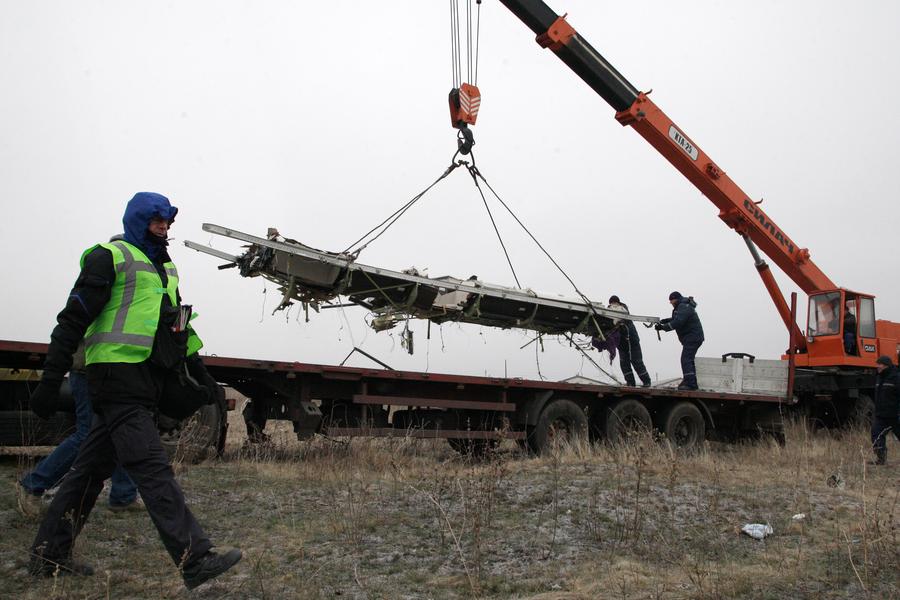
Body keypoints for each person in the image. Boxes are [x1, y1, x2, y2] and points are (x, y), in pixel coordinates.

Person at [26, 192, 241, 589]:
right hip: (112, 377)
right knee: (151, 466)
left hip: (145, 378)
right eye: (157, 222)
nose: (164, 229)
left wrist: (200, 369)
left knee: (88, 472)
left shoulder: (164, 267)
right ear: (138, 220)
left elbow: (177, 324)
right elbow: (72, 320)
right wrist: (50, 379)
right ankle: (194, 558)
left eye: (167, 223)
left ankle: (48, 555)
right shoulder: (108, 257)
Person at [16, 342, 140, 518]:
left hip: (113, 373)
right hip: (90, 371)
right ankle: (32, 485)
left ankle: (124, 496)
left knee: (118, 430)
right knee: (88, 435)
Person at [655, 291, 705, 391]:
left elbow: (678, 321)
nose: (670, 303)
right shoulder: (682, 307)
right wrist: (665, 321)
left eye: (671, 300)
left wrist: (663, 327)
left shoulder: (683, 306)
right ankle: (689, 380)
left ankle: (691, 384)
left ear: (676, 299)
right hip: (692, 337)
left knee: (686, 359)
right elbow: (676, 318)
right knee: (688, 359)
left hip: (692, 337)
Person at [607, 295, 652, 387]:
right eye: (611, 304)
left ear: (618, 303)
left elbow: (619, 321)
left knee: (636, 361)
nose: (613, 305)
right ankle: (630, 383)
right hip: (622, 342)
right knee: (624, 363)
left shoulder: (623, 310)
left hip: (631, 340)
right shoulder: (610, 312)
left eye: (614, 303)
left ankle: (646, 381)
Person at [871, 355, 900, 465]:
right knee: (876, 434)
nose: (877, 366)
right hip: (881, 415)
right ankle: (881, 458)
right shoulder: (879, 377)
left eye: (880, 364)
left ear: (887, 366)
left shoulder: (896, 378)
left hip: (895, 414)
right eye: (877, 364)